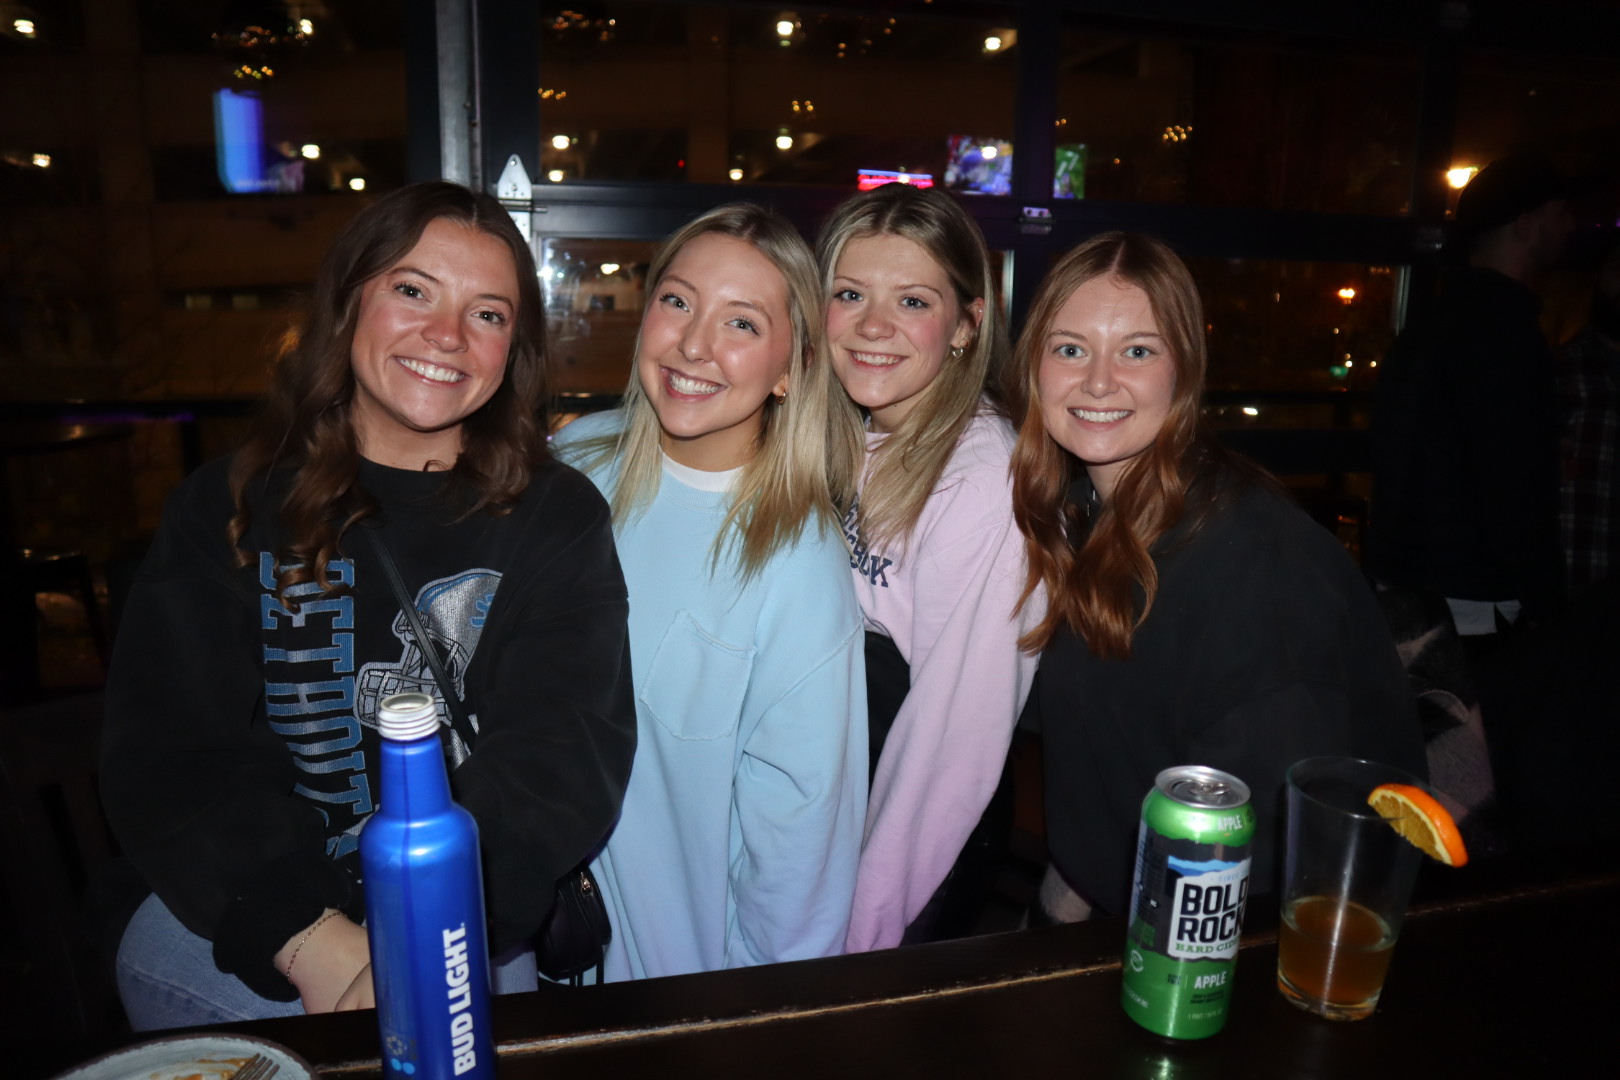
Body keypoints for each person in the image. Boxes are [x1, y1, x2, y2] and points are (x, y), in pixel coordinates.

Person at [100, 182, 637, 1029]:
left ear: (514, 351)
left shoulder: (555, 516)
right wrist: (317, 939)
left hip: (466, 902)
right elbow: (171, 757)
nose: (448, 336)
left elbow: (559, 761)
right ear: (349, 303)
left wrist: (419, 930)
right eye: (413, 290)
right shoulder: (229, 506)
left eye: (488, 313)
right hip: (256, 908)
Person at [1011, 231, 1425, 921]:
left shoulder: (1255, 569)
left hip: (1222, 946)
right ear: (1035, 366)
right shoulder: (1082, 513)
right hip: (1111, 903)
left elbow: (1259, 856)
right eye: (1070, 348)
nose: (1099, 381)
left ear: (1185, 370)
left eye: (1137, 350)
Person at [552, 203, 867, 980]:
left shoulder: (797, 562)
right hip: (515, 954)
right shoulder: (572, 461)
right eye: (678, 301)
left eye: (742, 324)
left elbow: (798, 854)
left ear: (792, 368)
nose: (694, 343)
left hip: (666, 991)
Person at [817, 183, 1039, 951]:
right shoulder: (851, 438)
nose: (874, 326)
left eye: (913, 300)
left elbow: (952, 740)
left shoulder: (981, 476)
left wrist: (871, 925)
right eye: (850, 293)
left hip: (915, 848)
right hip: (848, 813)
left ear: (967, 325)